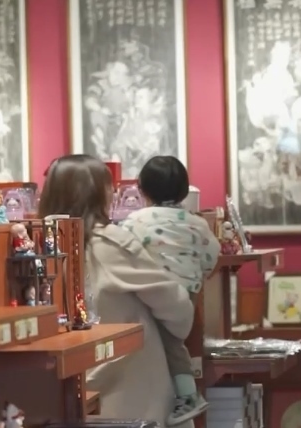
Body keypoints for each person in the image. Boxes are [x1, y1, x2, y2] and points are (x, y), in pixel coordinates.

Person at [38, 154, 195, 427]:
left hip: (66, 383)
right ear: (99, 192)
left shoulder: (39, 244)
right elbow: (175, 306)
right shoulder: (110, 244)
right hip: (127, 385)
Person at [120, 156, 220, 425]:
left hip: (154, 292)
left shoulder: (135, 221)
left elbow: (122, 253)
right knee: (175, 341)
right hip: (188, 291)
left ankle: (188, 397)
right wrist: (197, 274)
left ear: (142, 189)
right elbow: (212, 255)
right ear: (184, 190)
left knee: (168, 344)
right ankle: (184, 395)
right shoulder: (197, 222)